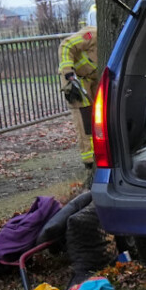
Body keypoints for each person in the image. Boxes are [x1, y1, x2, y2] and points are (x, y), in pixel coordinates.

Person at [57, 24, 98, 181]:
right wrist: (68, 72)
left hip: (93, 79)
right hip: (75, 80)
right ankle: (89, 161)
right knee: (84, 118)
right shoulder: (92, 35)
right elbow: (66, 45)